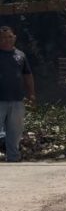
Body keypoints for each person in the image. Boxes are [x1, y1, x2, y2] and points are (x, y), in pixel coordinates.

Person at [0, 26, 35, 163]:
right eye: (3, 38)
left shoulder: (21, 55)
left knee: (15, 131)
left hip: (17, 100)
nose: (7, 40)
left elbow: (27, 75)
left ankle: (13, 158)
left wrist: (31, 94)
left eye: (9, 37)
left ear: (14, 38)